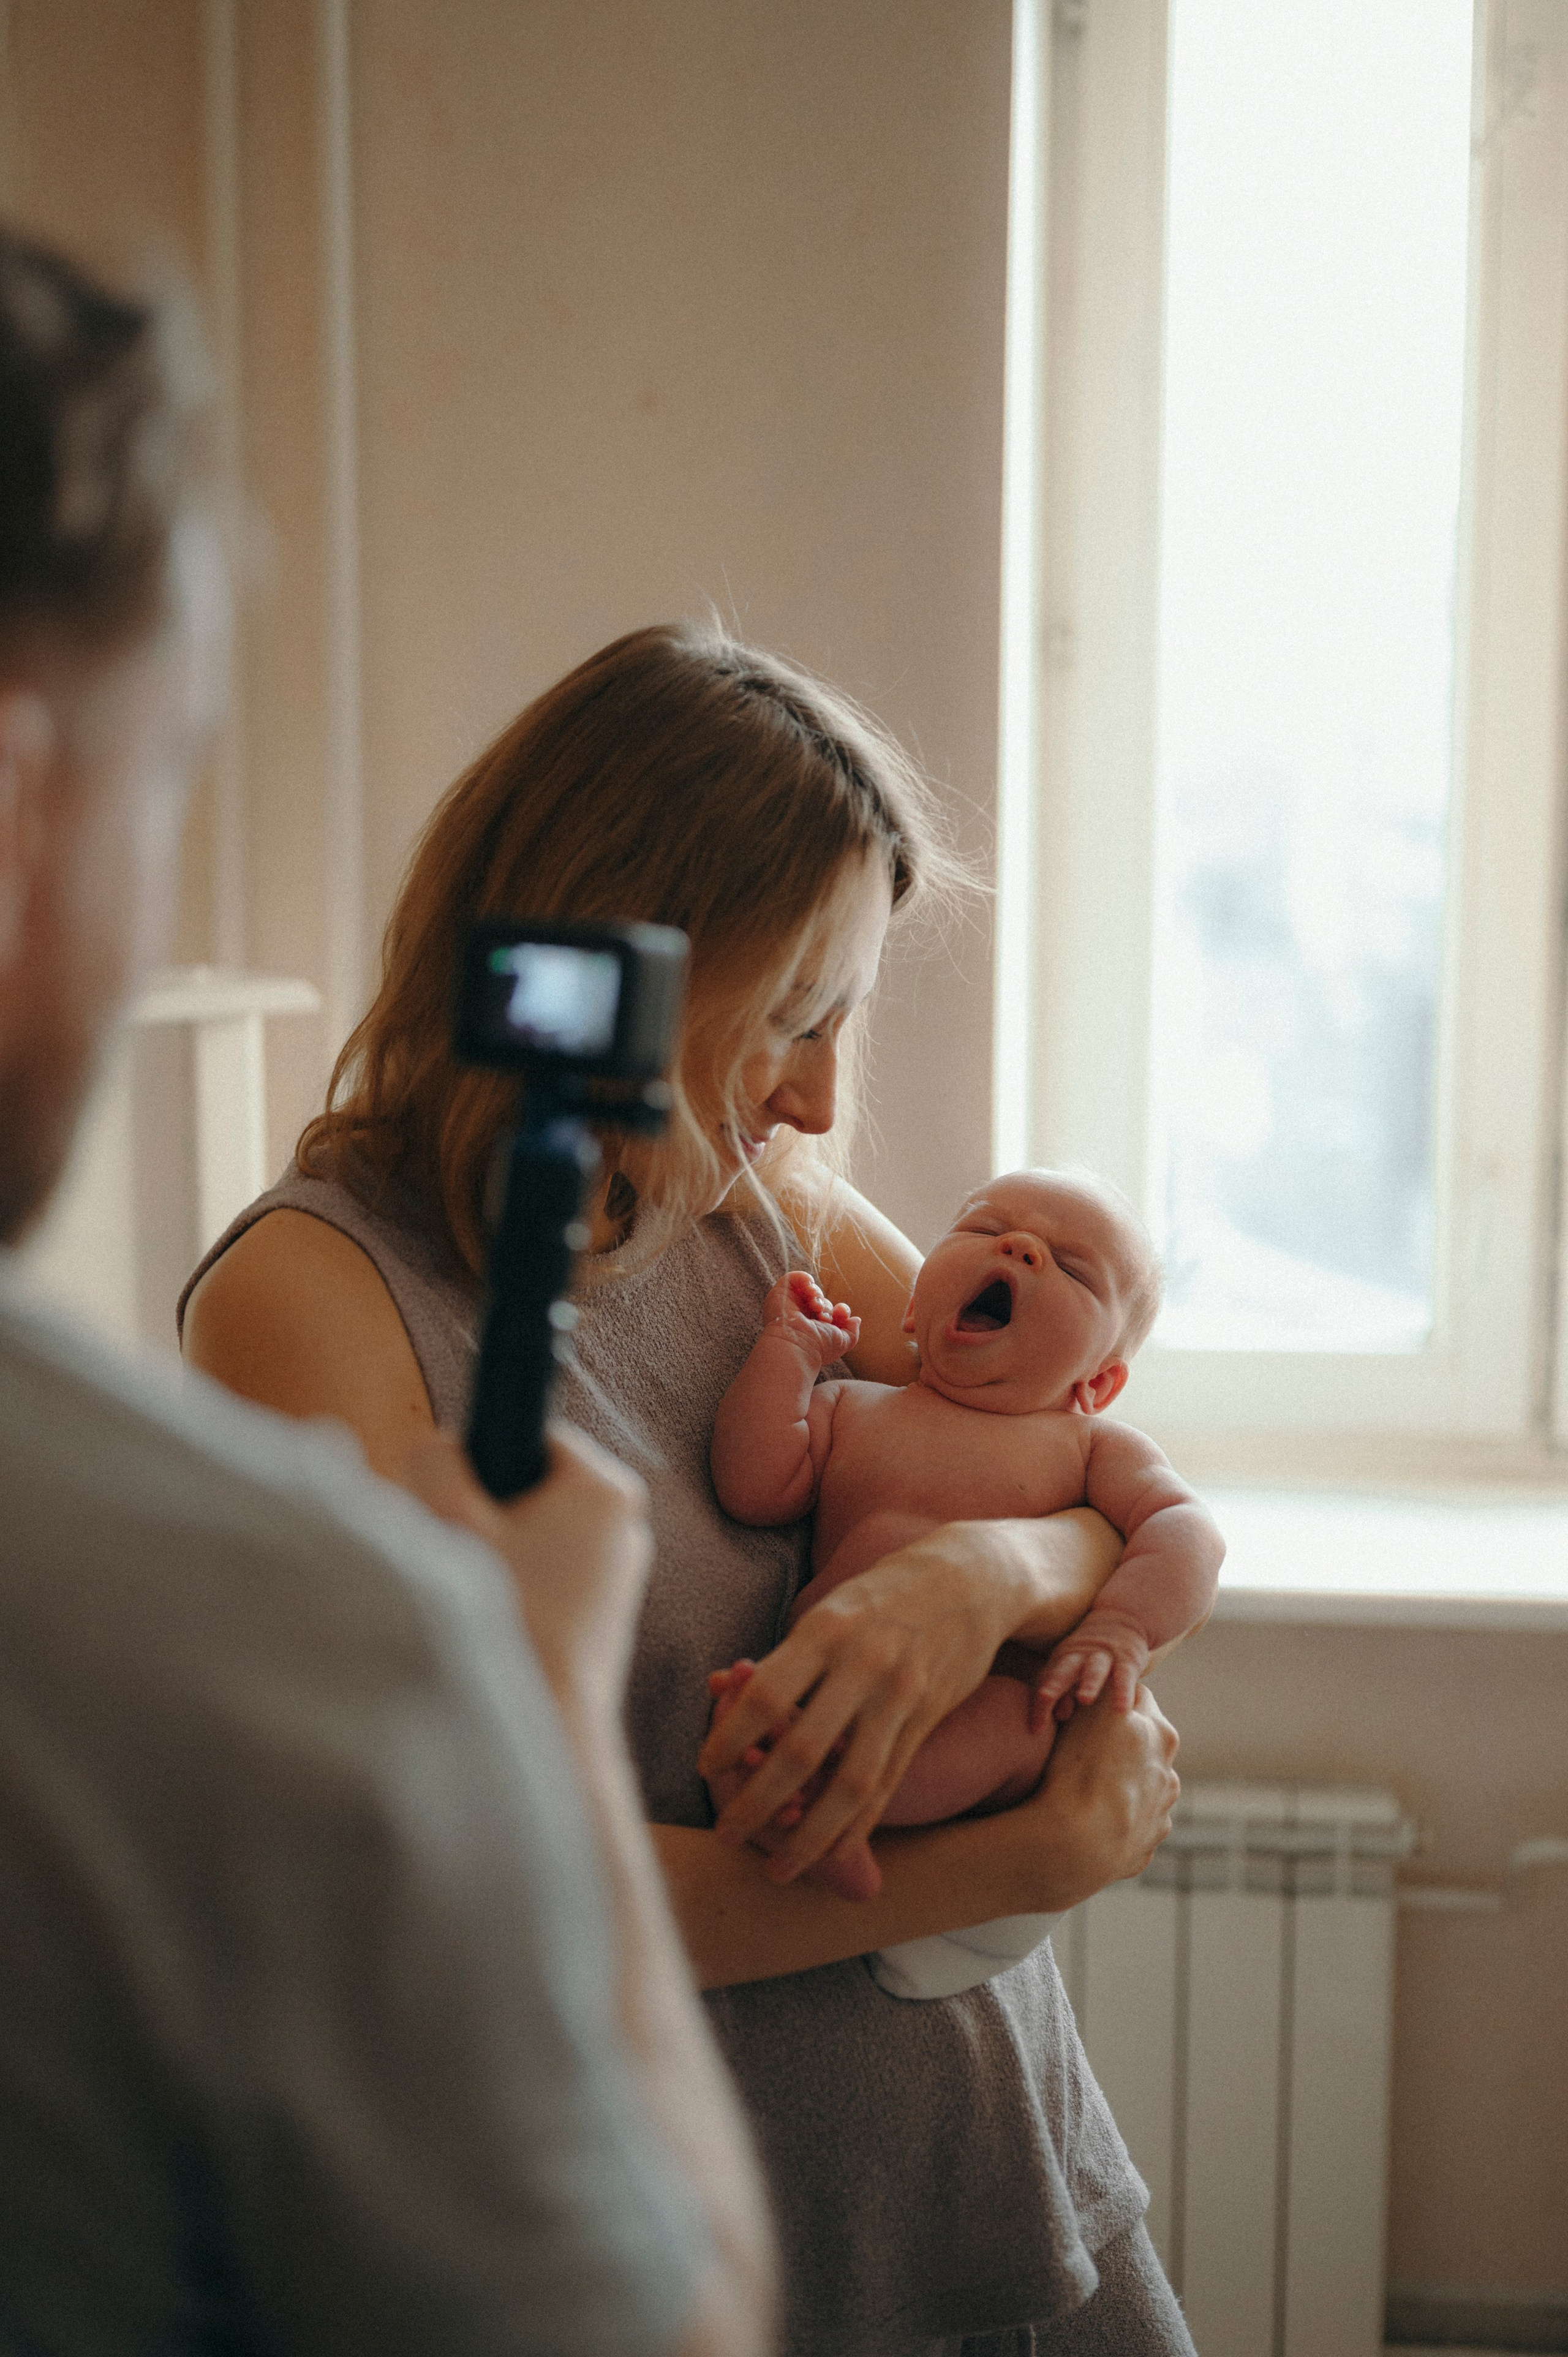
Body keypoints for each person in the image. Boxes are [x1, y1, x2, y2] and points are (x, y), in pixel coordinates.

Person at [182, 625, 1192, 2356]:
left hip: (989, 2165)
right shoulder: (312, 1303)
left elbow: (1084, 1450)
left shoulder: (752, 1198)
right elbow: (459, 1904)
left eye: (841, 1020)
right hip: (690, 2264)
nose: (813, 1094)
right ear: (615, 955)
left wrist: (976, 1582)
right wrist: (1017, 1858)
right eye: (789, 1016)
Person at [0, 228, 774, 2353]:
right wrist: (525, 1718)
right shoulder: (300, 1634)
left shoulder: (748, 1219)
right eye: (166, 777)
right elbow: (669, 2322)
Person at [704, 1166, 1223, 1998]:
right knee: (747, 1718)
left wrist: (1120, 1626)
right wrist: (788, 1356)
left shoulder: (1088, 1448)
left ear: (1098, 1381)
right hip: (832, 1679)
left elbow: (1187, 1530)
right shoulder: (852, 1410)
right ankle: (796, 1802)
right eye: (986, 1227)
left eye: (1072, 1267)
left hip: (985, 1702)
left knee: (1013, 1725)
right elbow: (754, 1485)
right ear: (912, 1310)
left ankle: (853, 1813)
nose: (1019, 1245)